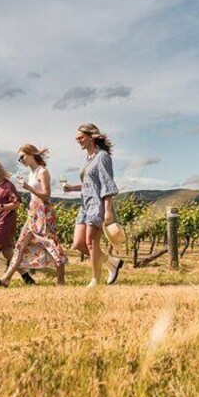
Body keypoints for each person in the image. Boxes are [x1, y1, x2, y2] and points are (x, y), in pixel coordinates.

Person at [0, 145, 68, 286]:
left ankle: (61, 280)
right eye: (19, 158)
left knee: (50, 243)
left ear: (32, 154)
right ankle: (6, 279)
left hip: (44, 212)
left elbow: (47, 196)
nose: (20, 160)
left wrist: (29, 188)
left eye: (22, 156)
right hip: (33, 211)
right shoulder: (31, 173)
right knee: (20, 244)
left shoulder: (43, 172)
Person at [62, 123, 123, 287]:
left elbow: (107, 184)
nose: (77, 140)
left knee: (91, 242)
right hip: (85, 204)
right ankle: (111, 262)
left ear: (91, 137)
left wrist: (108, 211)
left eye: (80, 137)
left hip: (97, 204)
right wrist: (72, 188)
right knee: (78, 243)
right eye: (77, 138)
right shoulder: (88, 159)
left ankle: (95, 280)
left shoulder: (102, 156)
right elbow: (90, 183)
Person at [0, 159, 35, 288]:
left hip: (5, 223)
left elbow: (16, 204)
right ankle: (27, 278)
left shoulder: (8, 185)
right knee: (7, 252)